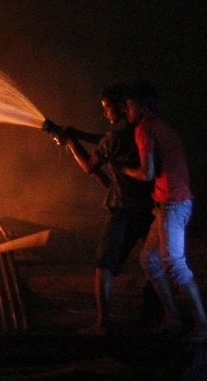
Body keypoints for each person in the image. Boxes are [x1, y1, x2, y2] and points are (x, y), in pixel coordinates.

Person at [49, 84, 154, 334]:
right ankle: (155, 314)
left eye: (107, 109)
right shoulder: (136, 129)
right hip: (148, 206)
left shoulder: (115, 137)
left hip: (124, 207)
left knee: (103, 263)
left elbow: (89, 165)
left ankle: (101, 324)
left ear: (119, 108)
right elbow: (103, 140)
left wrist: (71, 143)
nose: (104, 114)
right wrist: (77, 134)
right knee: (152, 262)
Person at [121, 81, 207, 342]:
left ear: (140, 106)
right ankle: (173, 320)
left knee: (174, 264)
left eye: (129, 105)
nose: (126, 110)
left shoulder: (144, 129)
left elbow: (147, 172)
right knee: (149, 260)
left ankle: (205, 329)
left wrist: (124, 170)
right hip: (171, 204)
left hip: (172, 205)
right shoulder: (161, 126)